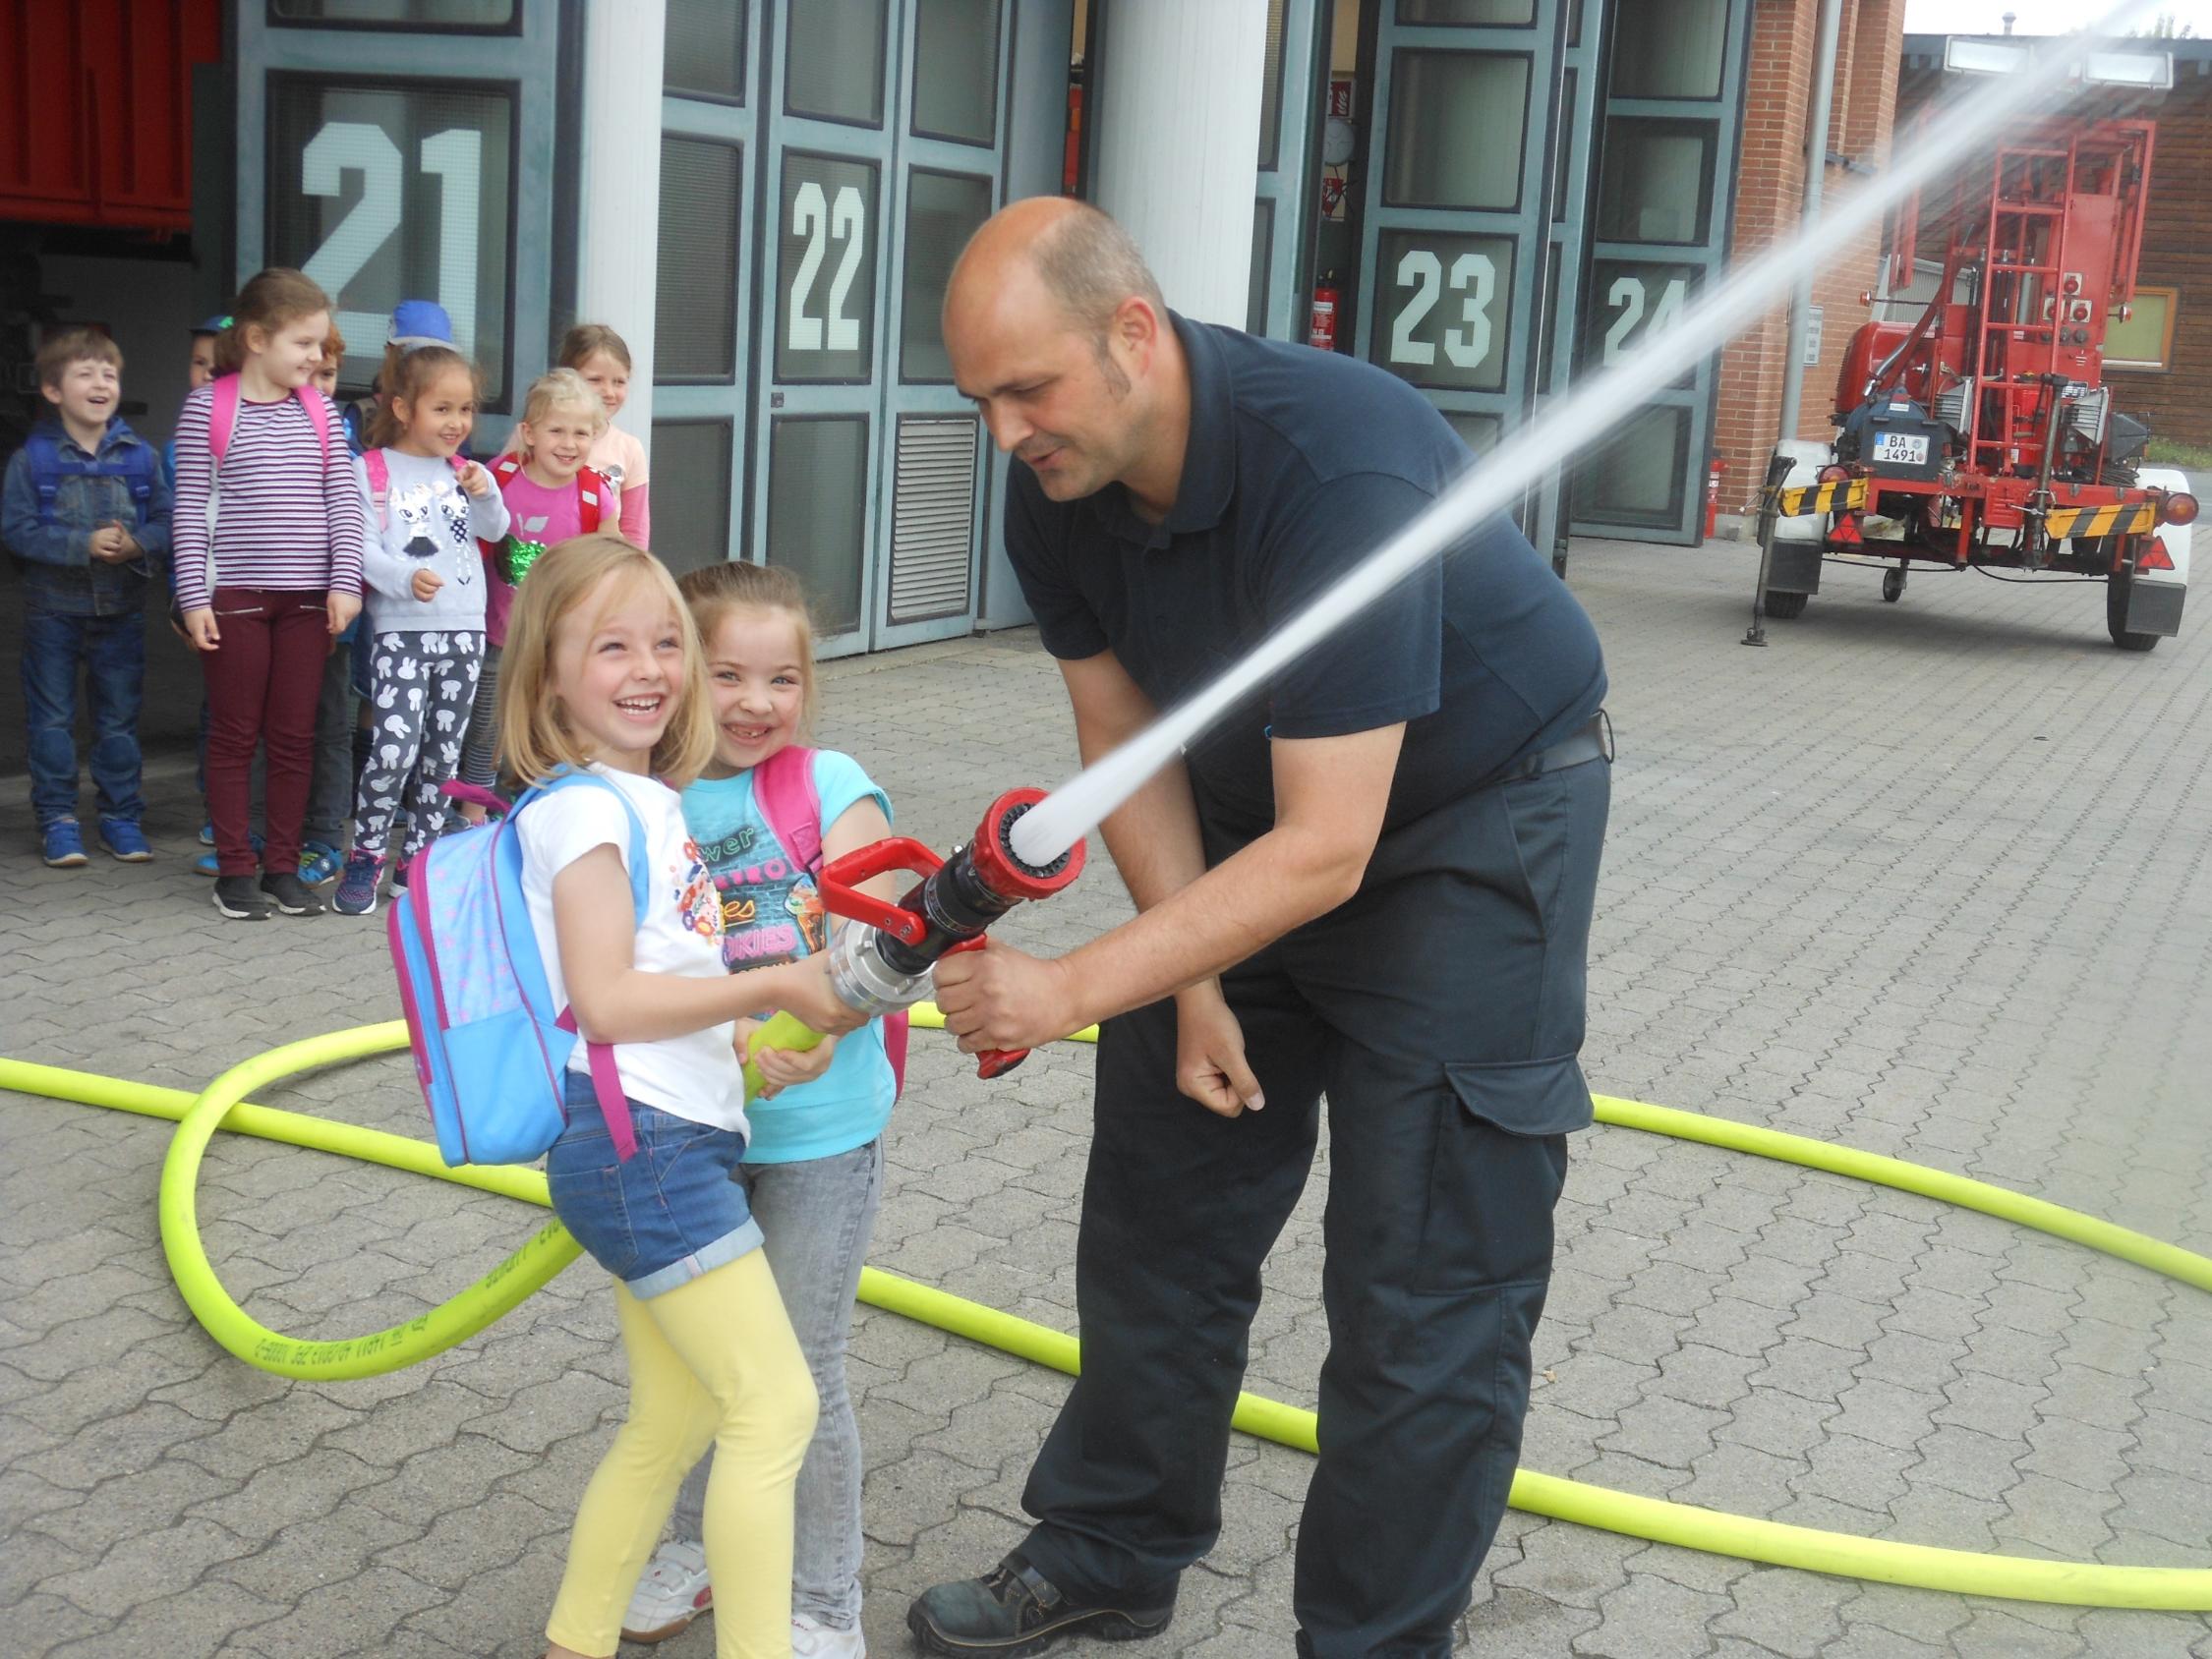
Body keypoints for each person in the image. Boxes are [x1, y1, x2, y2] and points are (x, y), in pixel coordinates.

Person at [909, 199, 1611, 1659]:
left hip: (1470, 822)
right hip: (1257, 819)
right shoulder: (1055, 484)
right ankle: (1111, 1547)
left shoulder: (1335, 460)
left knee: (1419, 1280)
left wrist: (1072, 988)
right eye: (979, 398)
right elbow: (1120, 735)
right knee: (1165, 1202)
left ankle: (1370, 1641)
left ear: (1132, 334)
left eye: (1025, 389)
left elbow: (1330, 846)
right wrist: (1195, 975)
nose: (1004, 431)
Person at [498, 534, 864, 1659]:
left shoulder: (635, 800)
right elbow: (604, 1000)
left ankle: (577, 1638)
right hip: (645, 1149)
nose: (650, 667)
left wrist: (745, 1027)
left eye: (665, 641)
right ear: (549, 674)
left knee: (676, 1417)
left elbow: (654, 978)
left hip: (660, 1138)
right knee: (777, 1408)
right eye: (611, 645)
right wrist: (778, 979)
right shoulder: (585, 811)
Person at [620, 562, 899, 1656]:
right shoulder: (646, 799)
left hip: (819, 1136)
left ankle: (825, 1598)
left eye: (780, 677)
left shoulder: (829, 783)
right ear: (680, 670)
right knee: (700, 1360)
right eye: (726, 672)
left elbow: (892, 937)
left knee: (800, 1365)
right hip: (694, 1127)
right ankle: (695, 1548)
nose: (753, 701)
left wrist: (831, 1016)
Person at [170, 266, 366, 922]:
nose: (317, 358)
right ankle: (234, 872)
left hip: (308, 603)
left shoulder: (319, 409)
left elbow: (343, 500)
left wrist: (344, 583)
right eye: (304, 344)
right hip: (237, 600)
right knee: (233, 736)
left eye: (320, 345)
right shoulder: (209, 406)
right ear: (256, 338)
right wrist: (193, 597)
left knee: (293, 738)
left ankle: (282, 868)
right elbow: (191, 506)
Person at [331, 344, 509, 916]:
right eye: (443, 409)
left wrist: (488, 493)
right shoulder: (373, 468)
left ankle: (420, 860)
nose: (457, 423)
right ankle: (365, 856)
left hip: (464, 632)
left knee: (442, 757)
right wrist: (405, 579)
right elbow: (360, 549)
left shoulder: (465, 471)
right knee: (392, 750)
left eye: (466, 410)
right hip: (401, 634)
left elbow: (497, 528)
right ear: (405, 409)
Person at [2, 327, 172, 867]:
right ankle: (58, 820)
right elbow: (16, 531)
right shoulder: (31, 460)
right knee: (51, 722)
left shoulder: (142, 457)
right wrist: (83, 544)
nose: (101, 382)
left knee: (118, 722)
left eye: (110, 374)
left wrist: (136, 545)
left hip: (120, 612)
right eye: (85, 373)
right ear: (53, 391)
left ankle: (121, 819)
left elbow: (171, 521)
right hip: (53, 612)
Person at [459, 368, 612, 808]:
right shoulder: (499, 478)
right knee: (488, 725)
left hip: (562, 637)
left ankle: (542, 802)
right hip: (499, 632)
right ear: (528, 433)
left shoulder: (593, 494)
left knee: (553, 722)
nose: (569, 443)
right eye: (557, 431)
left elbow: (611, 560)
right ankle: (473, 808)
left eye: (581, 433)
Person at [557, 322, 651, 546]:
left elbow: (634, 530)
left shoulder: (629, 448)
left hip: (601, 569)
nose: (608, 392)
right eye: (595, 380)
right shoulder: (538, 435)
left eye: (619, 382)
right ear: (566, 378)